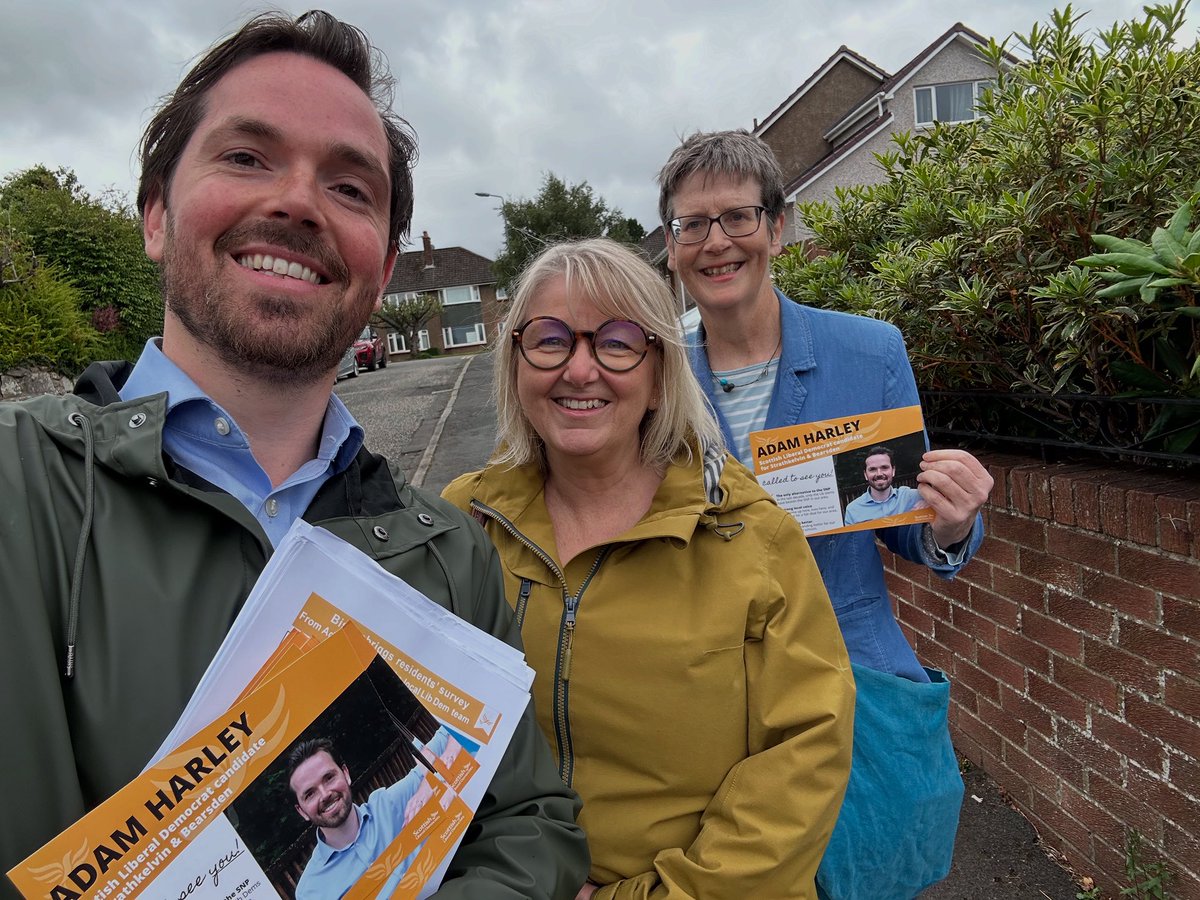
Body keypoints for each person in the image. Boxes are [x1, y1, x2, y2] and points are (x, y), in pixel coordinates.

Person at [0, 12, 587, 899]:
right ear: (156, 213)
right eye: (246, 157)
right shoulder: (18, 488)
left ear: (384, 269)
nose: (300, 203)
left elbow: (529, 825)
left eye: (352, 189)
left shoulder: (449, 554)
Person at [443, 238, 855, 899]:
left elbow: (805, 756)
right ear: (515, 363)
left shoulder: (752, 536)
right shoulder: (463, 520)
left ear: (661, 370)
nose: (580, 370)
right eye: (550, 340)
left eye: (616, 341)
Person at [657, 130, 994, 900]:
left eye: (737, 218)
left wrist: (948, 522)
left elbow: (906, 521)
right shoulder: (652, 375)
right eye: (692, 224)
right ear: (672, 246)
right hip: (703, 704)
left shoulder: (869, 353)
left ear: (777, 227)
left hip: (851, 690)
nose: (717, 243)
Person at [288, 734, 444, 899]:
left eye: (329, 778)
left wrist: (427, 785)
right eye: (310, 794)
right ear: (302, 811)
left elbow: (446, 737)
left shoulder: (387, 803)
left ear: (346, 774)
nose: (325, 794)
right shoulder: (309, 891)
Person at [842, 445, 925, 525]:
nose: (879, 474)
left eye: (884, 467)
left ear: (893, 471)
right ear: (865, 474)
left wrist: (929, 502)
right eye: (872, 469)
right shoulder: (853, 510)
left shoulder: (912, 496)